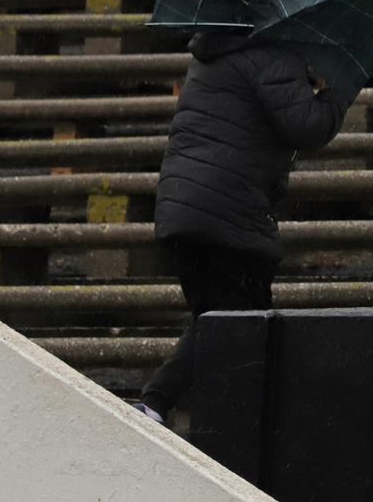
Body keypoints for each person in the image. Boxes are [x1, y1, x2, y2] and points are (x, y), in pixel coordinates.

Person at [133, 32, 357, 425]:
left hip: (183, 209)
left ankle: (206, 417)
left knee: (223, 322)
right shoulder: (272, 53)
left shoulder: (215, 54)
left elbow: (248, 116)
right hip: (227, 216)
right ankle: (158, 404)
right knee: (236, 324)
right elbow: (307, 125)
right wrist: (345, 85)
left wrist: (302, 83)